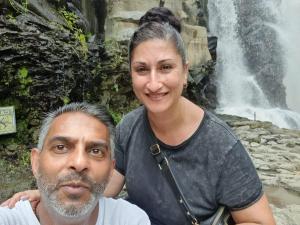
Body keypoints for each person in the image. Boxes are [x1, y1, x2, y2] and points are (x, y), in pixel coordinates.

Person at [1, 7, 276, 225]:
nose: (154, 83)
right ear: (131, 74)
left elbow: (259, 221)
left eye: (165, 67)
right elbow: (103, 185)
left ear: (184, 72)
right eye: (142, 70)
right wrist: (54, 193)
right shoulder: (130, 126)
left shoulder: (221, 145)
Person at [0, 102, 150, 225]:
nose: (79, 163)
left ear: (111, 169)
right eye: (61, 147)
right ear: (36, 162)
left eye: (96, 151)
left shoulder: (130, 219)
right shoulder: (7, 219)